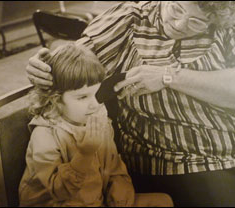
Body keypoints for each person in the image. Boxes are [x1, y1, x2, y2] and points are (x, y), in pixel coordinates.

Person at [26, 1, 235, 207]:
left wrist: (169, 76)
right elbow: (69, 66)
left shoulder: (234, 19)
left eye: (196, 22)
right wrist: (44, 65)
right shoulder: (129, 18)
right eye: (176, 9)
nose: (178, 24)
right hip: (178, 157)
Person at [19, 43, 173, 207]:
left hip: (96, 200)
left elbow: (114, 168)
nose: (94, 104)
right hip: (60, 203)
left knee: (163, 201)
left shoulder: (98, 119)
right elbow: (59, 191)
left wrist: (120, 196)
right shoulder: (45, 135)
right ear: (56, 100)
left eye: (95, 93)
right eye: (82, 97)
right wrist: (85, 154)